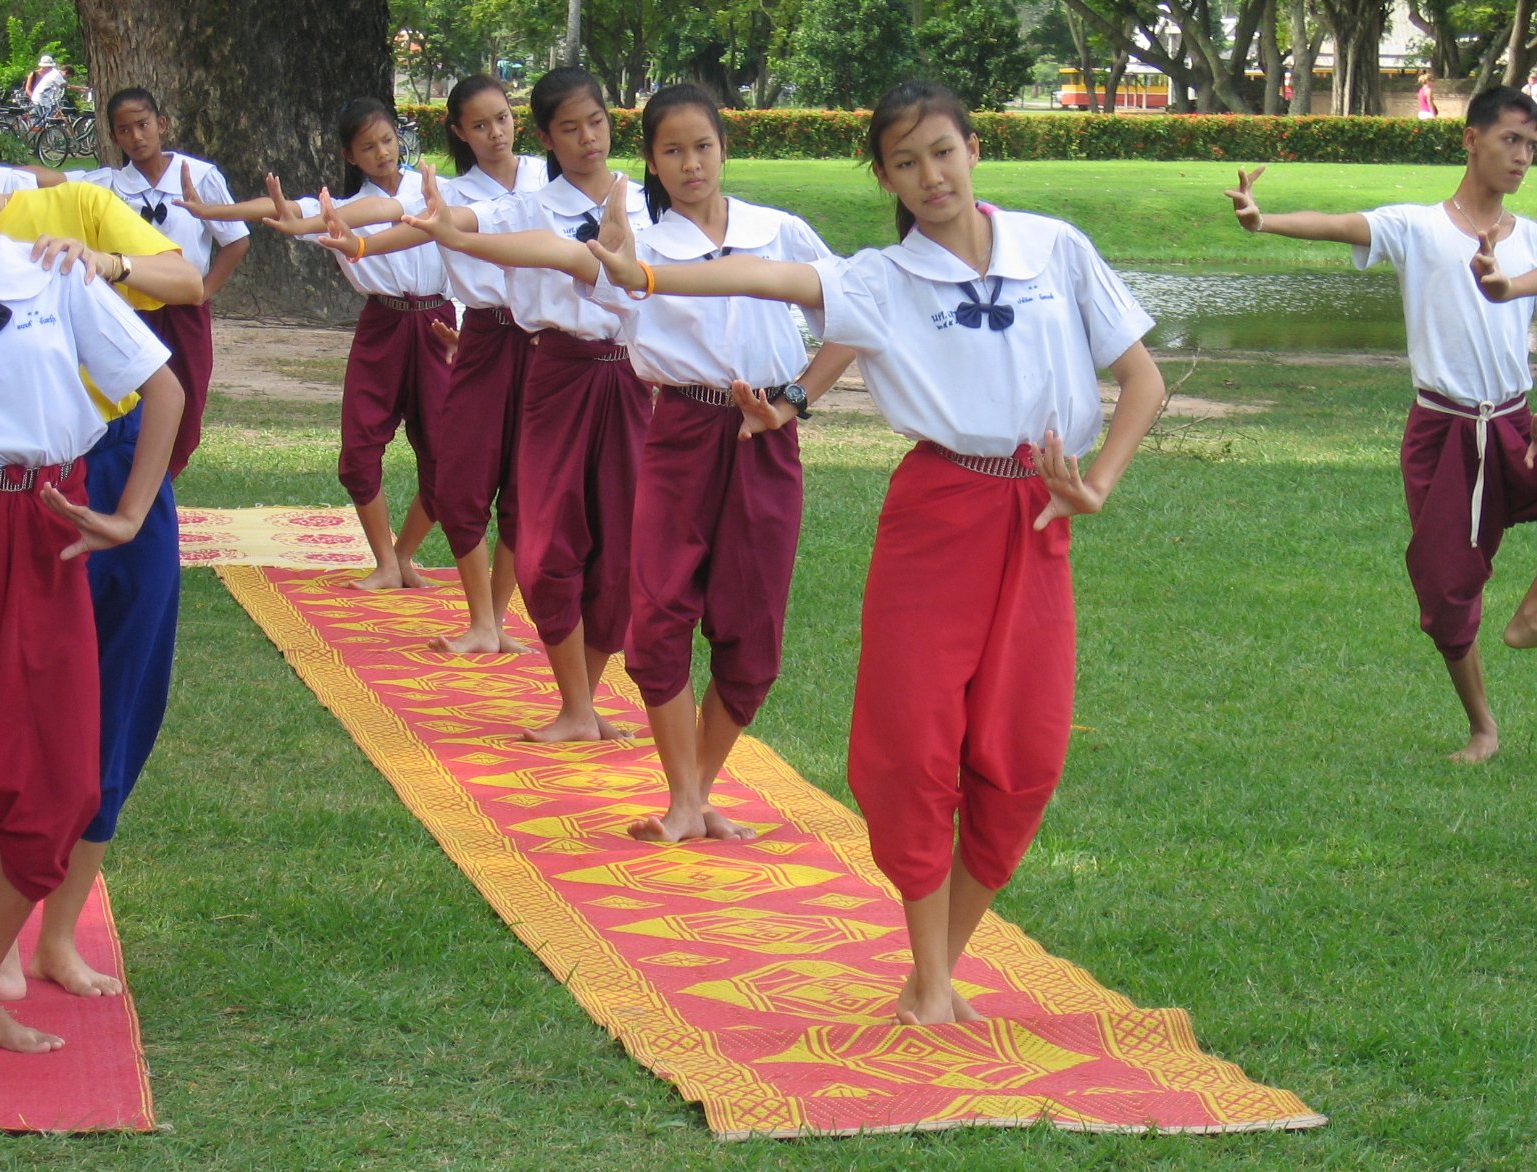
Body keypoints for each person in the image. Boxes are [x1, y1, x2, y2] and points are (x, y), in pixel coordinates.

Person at [586, 80, 1164, 1023]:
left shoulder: (1056, 248)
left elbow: (1141, 377)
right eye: (905, 161)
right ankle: (930, 982)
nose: (929, 174)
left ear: (974, 148)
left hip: (1036, 520)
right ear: (885, 175)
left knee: (1023, 759)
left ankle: (939, 966)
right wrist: (640, 273)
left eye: (943, 150)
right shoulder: (880, 279)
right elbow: (761, 279)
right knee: (912, 749)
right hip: (936, 513)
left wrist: (1096, 482)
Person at [383, 83, 854, 837]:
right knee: (660, 613)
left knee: (752, 629)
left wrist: (797, 396)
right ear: (655, 165)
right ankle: (681, 799)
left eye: (702, 145)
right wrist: (461, 239)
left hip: (765, 439)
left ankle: (698, 792)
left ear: (724, 148)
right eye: (672, 150)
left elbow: (857, 315)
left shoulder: (780, 232)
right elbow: (554, 251)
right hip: (678, 432)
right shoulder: (642, 249)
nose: (691, 163)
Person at [0, 76, 202, 1001]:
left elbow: (185, 285)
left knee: (105, 711)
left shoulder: (70, 219)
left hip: (97, 468)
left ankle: (53, 938)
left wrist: (100, 264)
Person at [316, 69, 656, 741]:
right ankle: (562, 695)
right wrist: (361, 243)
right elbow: (445, 224)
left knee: (620, 549)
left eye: (596, 121)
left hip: (629, 383)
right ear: (548, 138)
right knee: (546, 540)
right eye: (569, 127)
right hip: (555, 371)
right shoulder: (531, 205)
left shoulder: (646, 201)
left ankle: (585, 702)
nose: (587, 137)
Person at [1226, 86, 1537, 763]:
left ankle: (1532, 611)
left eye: (1532, 148)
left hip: (1517, 420)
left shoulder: (1533, 241)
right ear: (1471, 140)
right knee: (1442, 587)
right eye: (1511, 140)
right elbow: (1338, 223)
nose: (1522, 158)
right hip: (1443, 432)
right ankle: (1483, 727)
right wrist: (1263, 220)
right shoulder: (1417, 227)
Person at [262, 75, 546, 651]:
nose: (495, 131)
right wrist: (301, 224)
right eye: (479, 123)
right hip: (432, 328)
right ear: (459, 132)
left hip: (497, 332)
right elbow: (390, 214)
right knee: (384, 452)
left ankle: (441, 582)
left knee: (502, 477)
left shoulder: (545, 178)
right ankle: (406, 571)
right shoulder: (438, 191)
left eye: (503, 117)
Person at [179, 98, 452, 590]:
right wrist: (212, 210)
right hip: (383, 326)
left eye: (387, 140)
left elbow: (374, 210)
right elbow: (285, 209)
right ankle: (386, 563)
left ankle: (404, 556)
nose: (382, 153)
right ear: (351, 156)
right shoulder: (339, 208)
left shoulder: (429, 190)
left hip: (437, 325)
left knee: (444, 454)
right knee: (359, 451)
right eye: (368, 147)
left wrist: (307, 221)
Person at [78, 88, 250, 477]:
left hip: (184, 310)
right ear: (114, 136)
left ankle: (161, 484)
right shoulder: (106, 186)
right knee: (131, 404)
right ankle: (134, 490)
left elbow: (235, 240)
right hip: (130, 312)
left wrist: (205, 290)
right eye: (124, 130)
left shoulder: (199, 176)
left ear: (161, 124)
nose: (136, 137)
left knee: (186, 403)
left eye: (143, 125)